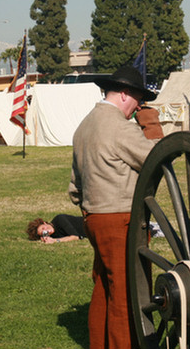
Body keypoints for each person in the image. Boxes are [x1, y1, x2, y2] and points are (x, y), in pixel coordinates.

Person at [69, 65, 158, 349]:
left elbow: (75, 186)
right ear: (123, 94)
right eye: (137, 100)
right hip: (120, 219)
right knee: (125, 293)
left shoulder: (84, 125)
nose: (137, 107)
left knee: (104, 288)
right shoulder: (119, 127)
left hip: (93, 216)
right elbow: (157, 158)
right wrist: (151, 124)